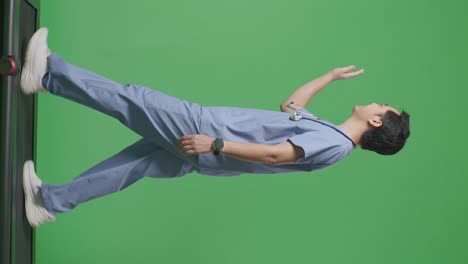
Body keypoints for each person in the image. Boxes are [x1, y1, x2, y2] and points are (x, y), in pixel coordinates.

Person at [21, 28, 410, 228]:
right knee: (132, 166)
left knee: (133, 100)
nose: (376, 101)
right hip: (209, 149)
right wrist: (328, 76)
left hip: (206, 132)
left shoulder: (333, 144)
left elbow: (277, 155)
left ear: (376, 121)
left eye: (382, 106)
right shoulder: (330, 133)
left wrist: (217, 143)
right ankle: (49, 202)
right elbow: (290, 106)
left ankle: (50, 73)